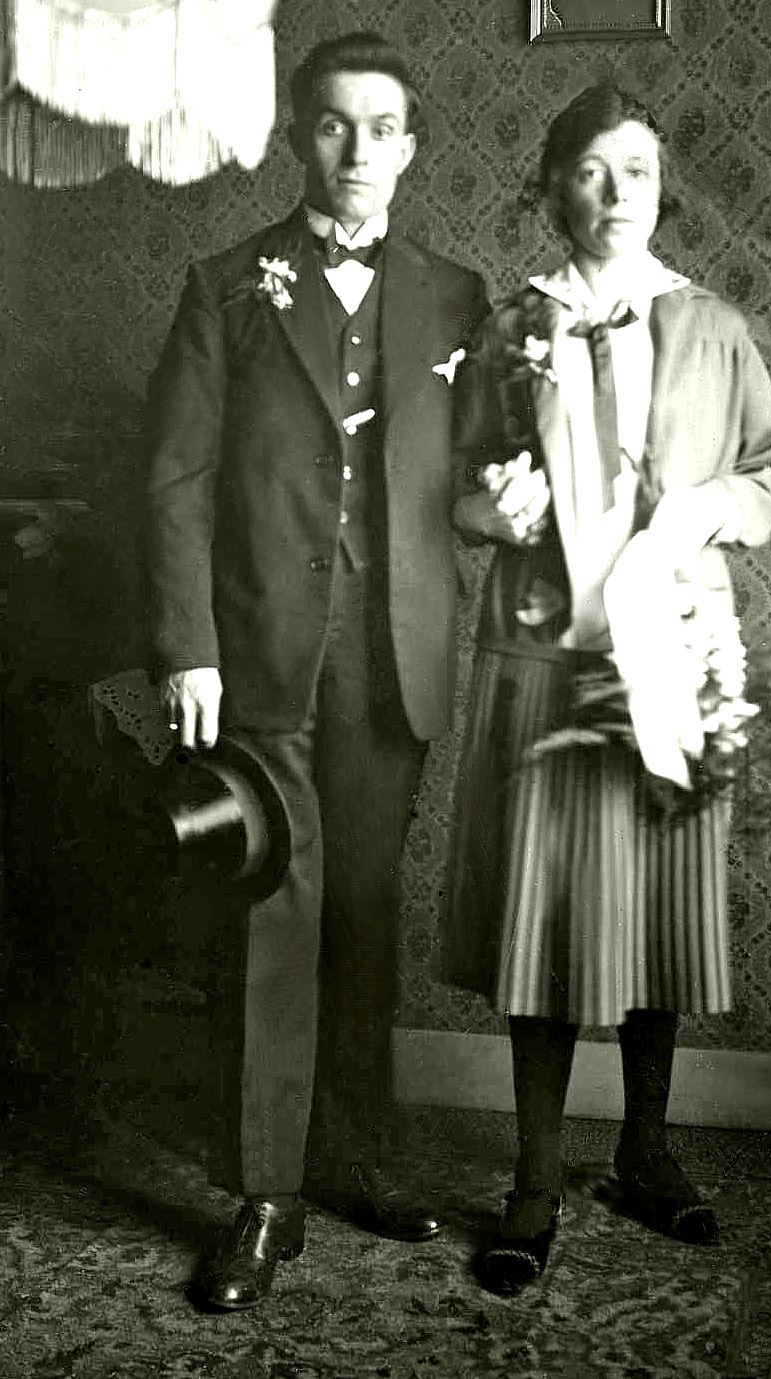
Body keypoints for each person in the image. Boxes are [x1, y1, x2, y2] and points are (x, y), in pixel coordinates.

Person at [144, 31, 489, 1310]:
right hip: (261, 647)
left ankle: (356, 1154)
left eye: (381, 126)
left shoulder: (457, 295)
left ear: (412, 145)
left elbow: (471, 476)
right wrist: (187, 645)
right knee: (275, 912)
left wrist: (508, 498)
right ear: (299, 136)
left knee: (365, 910)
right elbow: (175, 478)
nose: (357, 150)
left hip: (392, 651)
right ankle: (265, 1192)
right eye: (333, 124)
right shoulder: (227, 283)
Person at [444, 84, 771, 1296]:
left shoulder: (714, 326)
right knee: (540, 919)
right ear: (551, 186)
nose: (613, 193)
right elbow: (452, 487)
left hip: (670, 655)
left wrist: (704, 509)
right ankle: (535, 1180)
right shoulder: (508, 326)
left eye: (634, 170)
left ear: (660, 187)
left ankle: (644, 1147)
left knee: (654, 909)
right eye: (589, 170)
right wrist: (490, 511)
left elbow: (768, 471)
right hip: (543, 659)